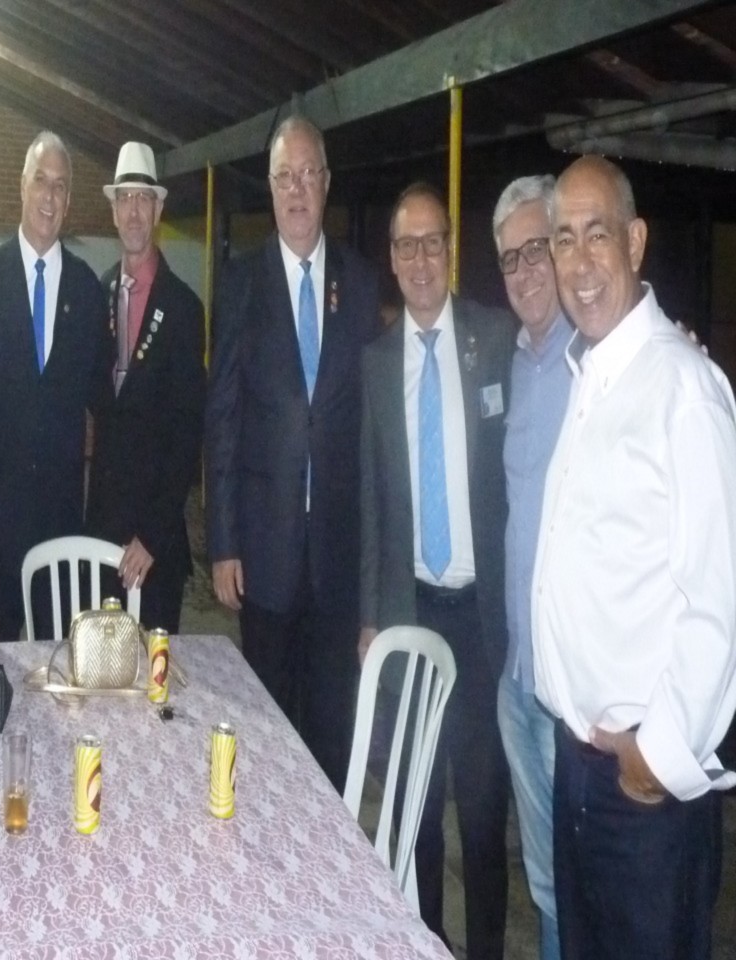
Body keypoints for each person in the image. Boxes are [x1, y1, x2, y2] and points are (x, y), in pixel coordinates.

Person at [533, 155, 736, 960]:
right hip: (579, 770)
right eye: (563, 240)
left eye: (598, 235)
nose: (579, 262)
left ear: (636, 241)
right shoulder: (593, 377)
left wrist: (657, 758)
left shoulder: (684, 388)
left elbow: (722, 599)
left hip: (642, 797)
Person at [358, 183, 513, 959]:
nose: (420, 259)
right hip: (410, 611)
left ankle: (485, 949)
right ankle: (424, 942)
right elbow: (371, 500)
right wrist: (369, 618)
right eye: (406, 244)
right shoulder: (377, 364)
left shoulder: (497, 338)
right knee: (415, 808)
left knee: (483, 813)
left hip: (480, 617)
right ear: (392, 258)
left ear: (450, 250)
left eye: (433, 242)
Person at [204, 115, 381, 790]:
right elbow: (222, 417)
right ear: (271, 187)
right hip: (264, 554)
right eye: (285, 176)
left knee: (330, 737)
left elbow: (371, 425)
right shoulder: (241, 282)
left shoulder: (362, 284)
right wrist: (223, 543)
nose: (298, 190)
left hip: (337, 558)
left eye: (309, 174)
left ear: (327, 183)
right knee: (266, 735)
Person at [0, 131, 105, 642]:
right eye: (41, 181)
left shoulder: (88, 290)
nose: (49, 195)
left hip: (62, 522)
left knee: (59, 658)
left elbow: (104, 407)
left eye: (60, 186)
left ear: (69, 200)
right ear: (22, 186)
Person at [492, 174, 570, 960]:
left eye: (536, 249)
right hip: (517, 679)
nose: (524, 271)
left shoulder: (599, 357)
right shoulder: (514, 361)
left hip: (573, 692)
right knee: (545, 881)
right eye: (510, 258)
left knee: (582, 886)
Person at [85, 143, 204, 632]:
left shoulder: (184, 308)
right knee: (98, 667)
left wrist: (151, 536)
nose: (134, 211)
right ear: (114, 211)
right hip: (101, 535)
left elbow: (188, 433)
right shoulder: (97, 294)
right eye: (125, 199)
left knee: (154, 673)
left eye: (143, 199)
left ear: (157, 211)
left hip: (155, 546)